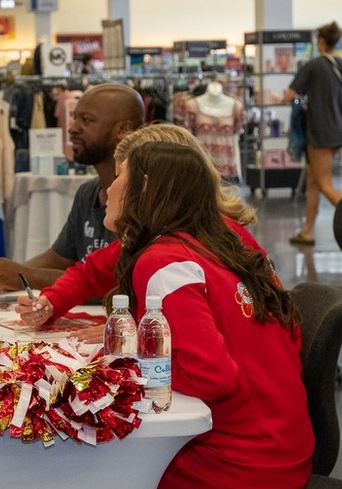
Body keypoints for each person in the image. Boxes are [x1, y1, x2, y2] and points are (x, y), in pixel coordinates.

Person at [46, 141, 312, 489]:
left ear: (146, 187)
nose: (107, 189)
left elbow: (212, 377)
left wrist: (129, 357)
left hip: (238, 475)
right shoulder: (218, 244)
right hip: (283, 460)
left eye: (119, 176)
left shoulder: (163, 261)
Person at [15, 123, 264, 333]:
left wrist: (137, 335)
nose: (110, 189)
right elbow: (92, 271)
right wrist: (52, 300)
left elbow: (212, 347)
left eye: (120, 179)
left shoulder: (178, 253)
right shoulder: (165, 236)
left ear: (151, 185)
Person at [0, 82, 145, 294]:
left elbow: (119, 284)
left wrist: (22, 277)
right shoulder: (87, 192)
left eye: (86, 120)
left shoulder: (145, 199)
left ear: (123, 130)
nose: (72, 128)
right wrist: (0, 274)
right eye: (75, 117)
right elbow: (58, 258)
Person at [282, 21, 342, 246]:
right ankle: (307, 231)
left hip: (319, 131)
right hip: (338, 130)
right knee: (313, 180)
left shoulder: (313, 66)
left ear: (321, 41)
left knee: (323, 183)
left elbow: (290, 95)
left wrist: (303, 103)